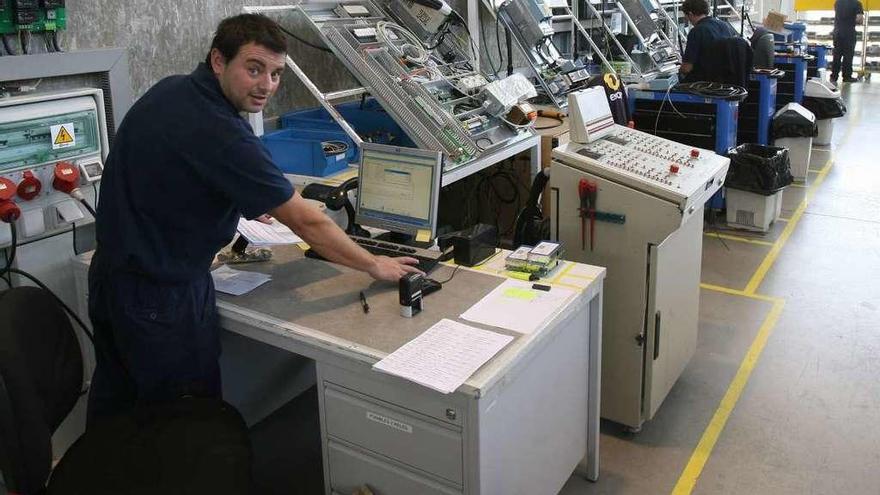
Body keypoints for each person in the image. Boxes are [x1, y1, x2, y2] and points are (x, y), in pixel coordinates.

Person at [87, 14, 422, 422]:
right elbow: (308, 223)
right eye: (254, 68)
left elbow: (179, 174)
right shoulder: (223, 132)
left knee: (117, 414)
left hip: (111, 280)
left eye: (277, 74)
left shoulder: (171, 91)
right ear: (217, 61)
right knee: (183, 426)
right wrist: (374, 264)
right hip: (161, 299)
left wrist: (245, 195)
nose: (267, 85)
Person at [679, 0, 737, 82]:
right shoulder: (724, 25)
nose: (686, 18)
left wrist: (679, 69)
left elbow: (687, 68)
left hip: (704, 83)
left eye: (685, 15)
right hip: (726, 81)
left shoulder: (696, 31)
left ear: (690, 14)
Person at [831, 0, 865, 82]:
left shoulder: (837, 2)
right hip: (849, 32)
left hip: (837, 32)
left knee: (837, 55)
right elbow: (859, 19)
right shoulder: (857, 3)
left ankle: (834, 76)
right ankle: (846, 77)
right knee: (848, 55)